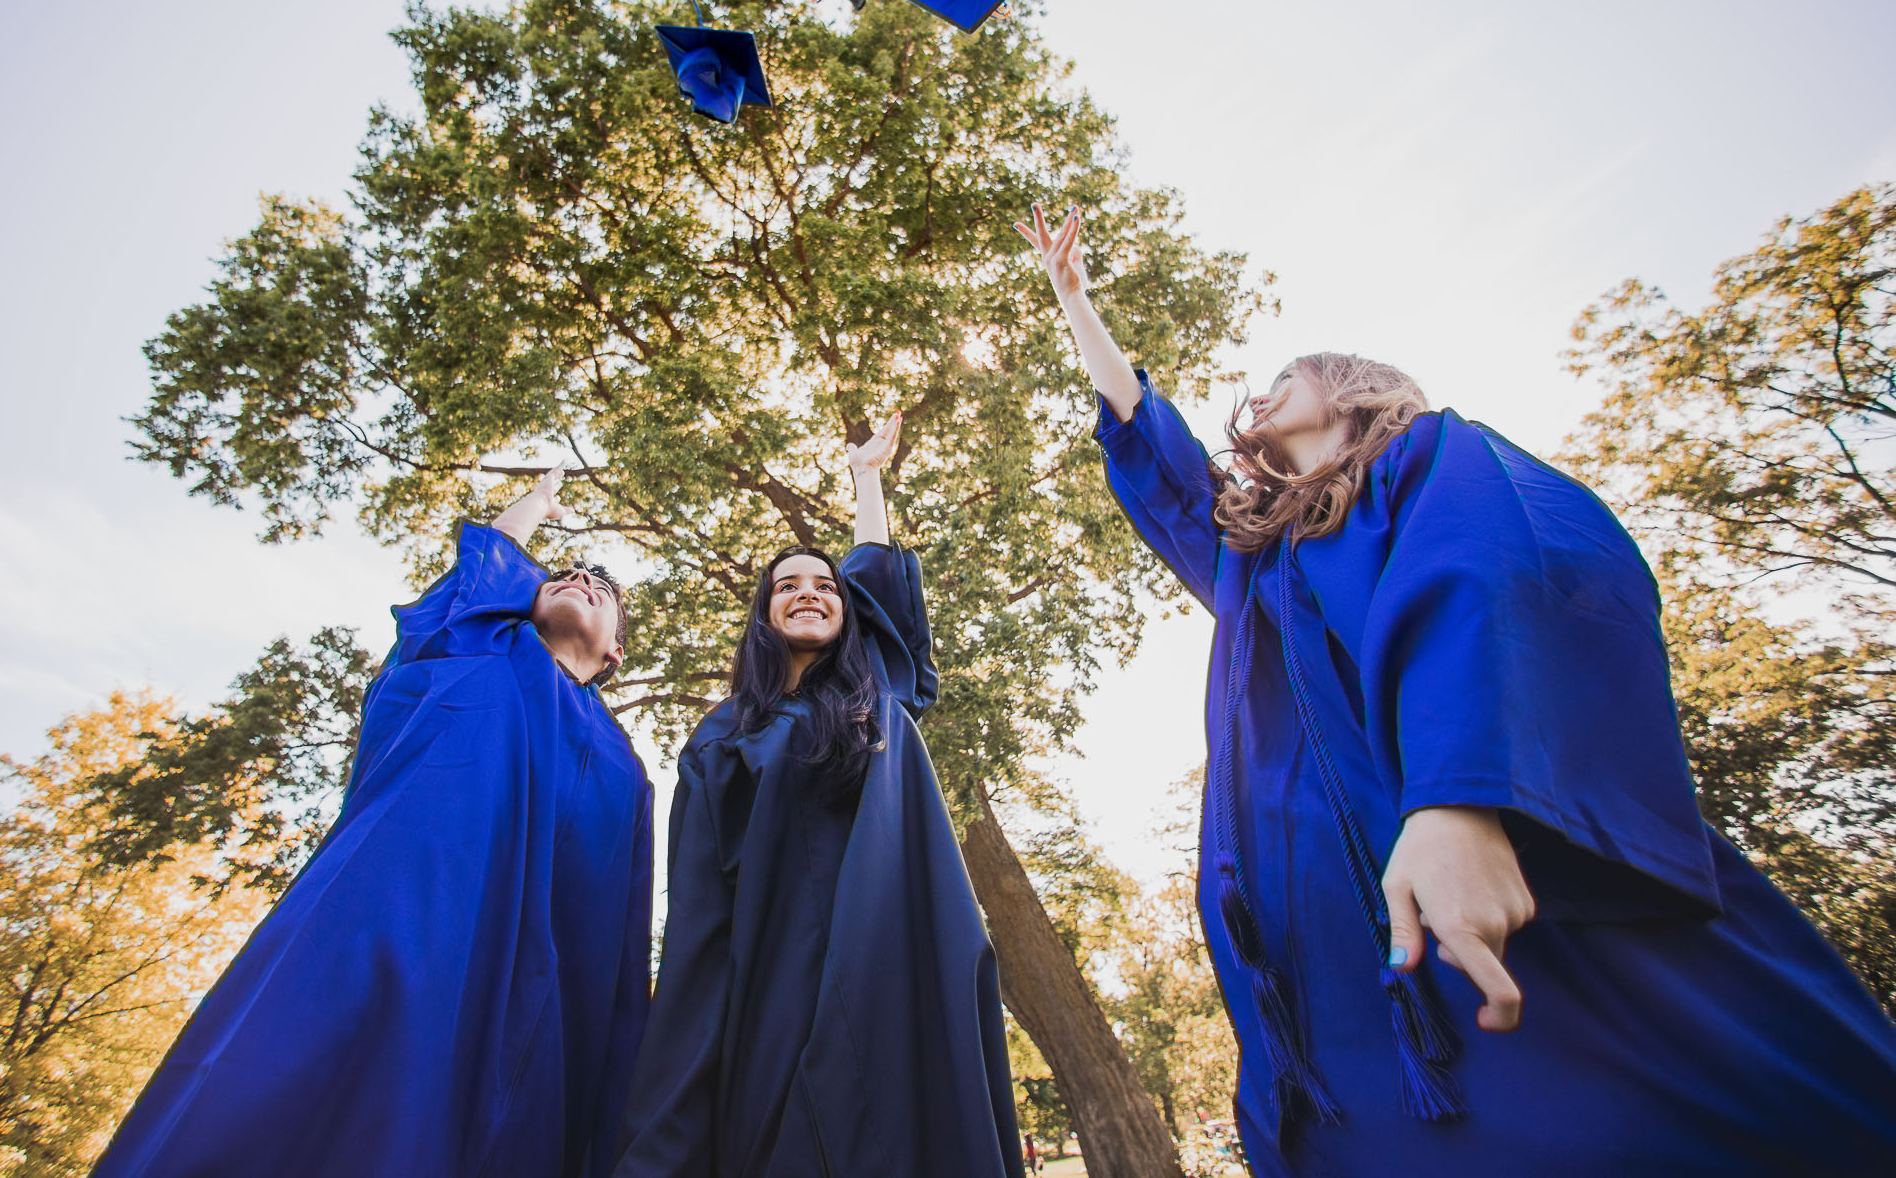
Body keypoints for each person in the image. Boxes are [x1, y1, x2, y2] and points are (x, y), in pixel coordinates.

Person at [1022, 201, 1896, 1175]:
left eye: (1286, 378)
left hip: (1467, 866)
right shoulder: (1253, 558)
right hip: (1322, 958)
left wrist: (1458, 796)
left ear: (1352, 390)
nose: (1261, 395)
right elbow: (1162, 461)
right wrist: (1076, 302)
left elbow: (1494, 572)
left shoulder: (1426, 459)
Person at [95, 464, 653, 1178]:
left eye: (599, 588)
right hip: (391, 912)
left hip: (522, 998)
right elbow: (485, 575)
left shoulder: (626, 772)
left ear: (615, 652)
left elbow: (614, 939)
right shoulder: (473, 649)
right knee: (301, 1075)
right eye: (562, 576)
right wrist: (534, 505)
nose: (578, 580)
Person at [614, 415, 1023, 1178]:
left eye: (825, 586)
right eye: (788, 586)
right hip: (780, 990)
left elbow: (879, 591)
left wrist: (866, 479)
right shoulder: (722, 738)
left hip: (901, 973)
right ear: (763, 615)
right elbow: (700, 915)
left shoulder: (875, 699)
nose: (809, 593)